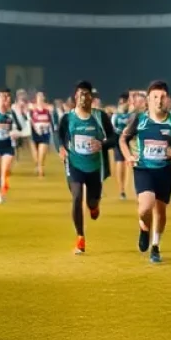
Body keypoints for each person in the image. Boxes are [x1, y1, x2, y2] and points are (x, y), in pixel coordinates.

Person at [119, 80, 171, 264]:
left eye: (163, 97)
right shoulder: (139, 120)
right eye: (155, 97)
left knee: (161, 211)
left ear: (168, 99)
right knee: (145, 208)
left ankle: (155, 246)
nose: (159, 100)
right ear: (148, 100)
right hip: (144, 169)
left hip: (164, 170)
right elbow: (123, 140)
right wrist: (128, 156)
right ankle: (144, 227)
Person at [58, 81, 117, 254]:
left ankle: (94, 205)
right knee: (77, 197)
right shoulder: (68, 118)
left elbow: (113, 137)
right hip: (74, 165)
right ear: (75, 97)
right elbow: (58, 135)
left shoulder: (100, 117)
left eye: (87, 94)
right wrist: (61, 148)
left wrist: (102, 144)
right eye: (80, 94)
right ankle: (80, 238)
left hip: (95, 167)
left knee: (91, 201)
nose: (83, 97)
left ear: (92, 97)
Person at [110, 93, 133, 200]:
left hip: (128, 141)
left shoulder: (132, 115)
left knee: (128, 164)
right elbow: (112, 128)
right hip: (119, 140)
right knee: (120, 163)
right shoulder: (116, 115)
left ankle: (125, 189)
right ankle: (122, 189)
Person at [28, 92, 54, 177]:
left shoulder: (48, 108)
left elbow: (52, 118)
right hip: (34, 133)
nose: (40, 98)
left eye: (41, 96)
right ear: (36, 98)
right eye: (38, 97)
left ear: (44, 98)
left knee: (41, 155)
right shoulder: (32, 107)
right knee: (35, 157)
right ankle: (38, 166)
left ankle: (41, 172)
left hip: (45, 134)